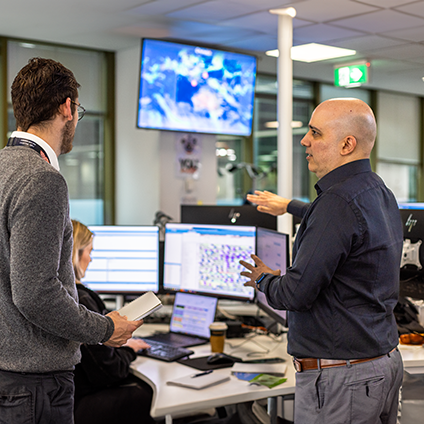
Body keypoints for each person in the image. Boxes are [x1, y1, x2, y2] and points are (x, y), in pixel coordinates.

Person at [240, 98, 404, 424]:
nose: (304, 141)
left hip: (343, 378)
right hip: (379, 366)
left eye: (315, 133)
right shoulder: (377, 190)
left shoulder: (336, 203)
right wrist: (290, 206)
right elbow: (345, 225)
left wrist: (264, 279)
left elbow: (296, 294)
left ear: (347, 144)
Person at [0, 57, 142, 424]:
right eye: (78, 110)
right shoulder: (41, 179)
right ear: (68, 107)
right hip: (33, 384)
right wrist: (106, 329)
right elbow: (35, 292)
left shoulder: (3, 167)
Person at [71, 220, 155, 424]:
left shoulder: (61, 298)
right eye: (89, 251)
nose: (90, 259)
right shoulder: (82, 302)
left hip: (69, 398)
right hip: (84, 404)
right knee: (150, 394)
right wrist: (129, 351)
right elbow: (109, 371)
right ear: (75, 254)